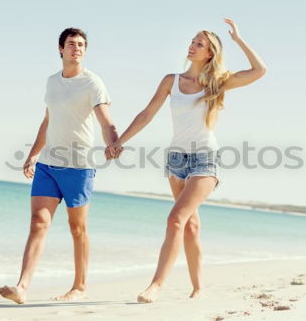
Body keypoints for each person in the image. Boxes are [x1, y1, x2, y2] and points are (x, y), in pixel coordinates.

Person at [108, 19, 267, 303]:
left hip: (205, 160)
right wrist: (121, 141)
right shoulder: (172, 81)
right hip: (176, 160)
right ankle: (198, 288)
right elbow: (147, 114)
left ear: (210, 53)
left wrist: (238, 40)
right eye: (192, 41)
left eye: (199, 44)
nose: (192, 46)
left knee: (175, 219)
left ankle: (156, 285)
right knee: (190, 225)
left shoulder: (218, 82)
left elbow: (259, 71)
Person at [0, 27, 118, 304]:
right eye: (72, 44)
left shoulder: (93, 83)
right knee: (38, 222)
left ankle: (80, 286)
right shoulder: (52, 82)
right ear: (60, 49)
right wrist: (33, 155)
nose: (77, 48)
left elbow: (106, 120)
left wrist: (112, 141)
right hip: (48, 165)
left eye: (81, 44)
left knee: (77, 228)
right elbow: (48, 121)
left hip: (79, 166)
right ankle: (22, 286)